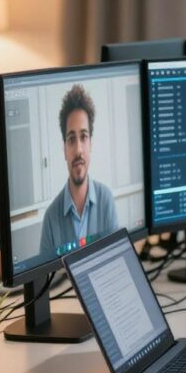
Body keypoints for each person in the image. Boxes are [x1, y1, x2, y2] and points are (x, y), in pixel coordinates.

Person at [39, 84, 119, 256]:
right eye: (71, 139)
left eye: (84, 137)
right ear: (64, 149)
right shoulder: (51, 217)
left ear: (91, 143)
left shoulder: (106, 201)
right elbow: (43, 282)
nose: (78, 150)